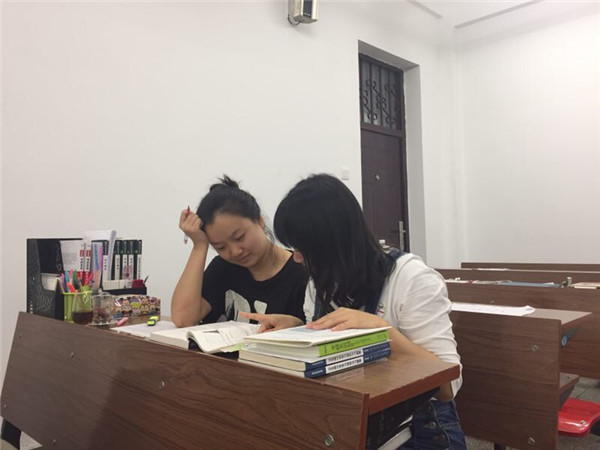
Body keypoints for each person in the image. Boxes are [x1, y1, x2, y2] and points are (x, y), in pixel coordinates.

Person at [241, 174, 466, 450]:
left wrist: (380, 332)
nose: (296, 258)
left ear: (334, 242)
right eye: (294, 249)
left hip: (419, 429)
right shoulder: (317, 285)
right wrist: (298, 330)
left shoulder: (412, 279)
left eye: (303, 249)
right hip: (351, 419)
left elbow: (448, 386)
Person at [171, 175, 308, 328]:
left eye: (239, 237)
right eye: (220, 247)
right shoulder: (223, 268)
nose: (235, 252)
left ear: (259, 221)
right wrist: (199, 246)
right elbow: (183, 319)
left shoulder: (302, 273)